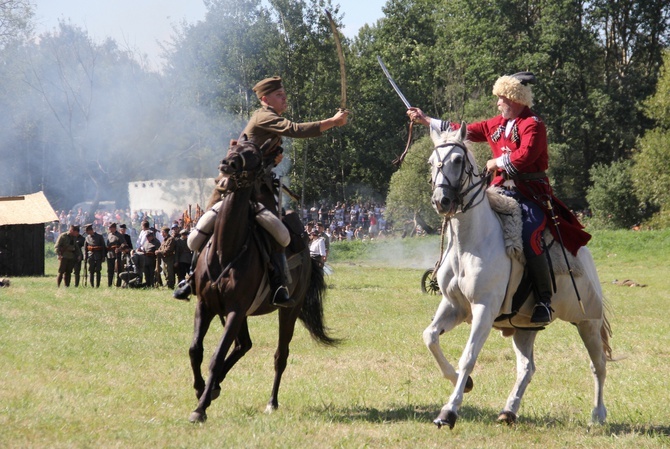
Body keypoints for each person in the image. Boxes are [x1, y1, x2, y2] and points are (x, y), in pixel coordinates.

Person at [407, 71, 590, 324]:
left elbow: (525, 155)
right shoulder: (496, 124)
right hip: (499, 190)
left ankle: (543, 301)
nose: (497, 103)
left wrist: (496, 160)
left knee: (529, 235)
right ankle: (451, 282)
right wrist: (427, 120)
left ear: (513, 99)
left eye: (501, 99)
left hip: (530, 195)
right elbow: (463, 130)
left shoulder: (533, 124)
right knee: (465, 220)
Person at [173, 76, 348, 306]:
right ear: (265, 99)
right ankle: (190, 278)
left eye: (284, 94)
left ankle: (277, 284)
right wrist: (332, 122)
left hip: (257, 191)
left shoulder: (270, 118)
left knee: (279, 232)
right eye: (279, 95)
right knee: (206, 229)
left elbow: (258, 163)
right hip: (234, 189)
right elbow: (294, 129)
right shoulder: (264, 116)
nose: (284, 98)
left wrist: (272, 161)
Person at [105, 223, 125, 287]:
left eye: (110, 227)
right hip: (109, 254)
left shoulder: (119, 235)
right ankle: (109, 284)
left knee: (118, 270)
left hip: (117, 254)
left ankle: (118, 284)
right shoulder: (109, 235)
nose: (109, 229)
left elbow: (124, 244)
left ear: (114, 228)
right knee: (110, 270)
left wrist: (119, 249)